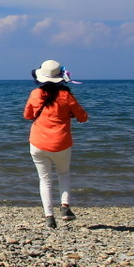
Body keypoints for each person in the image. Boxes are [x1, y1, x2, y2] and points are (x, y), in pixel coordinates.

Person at [23, 59, 88, 229]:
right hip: (61, 142)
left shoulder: (35, 94)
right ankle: (65, 207)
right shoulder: (66, 96)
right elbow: (83, 117)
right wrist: (68, 115)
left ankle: (49, 216)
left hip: (37, 142)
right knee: (63, 174)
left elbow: (28, 115)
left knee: (44, 180)